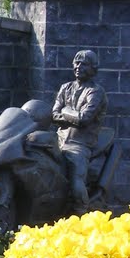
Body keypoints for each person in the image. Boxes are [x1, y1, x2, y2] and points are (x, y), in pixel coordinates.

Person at [51, 49, 108, 213]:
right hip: (58, 139)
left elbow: (84, 119)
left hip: (79, 144)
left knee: (76, 180)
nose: (78, 67)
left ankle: (81, 211)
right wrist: (70, 115)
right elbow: (54, 114)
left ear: (93, 68)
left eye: (84, 64)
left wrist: (65, 111)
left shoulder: (96, 92)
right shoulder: (65, 87)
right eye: (76, 63)